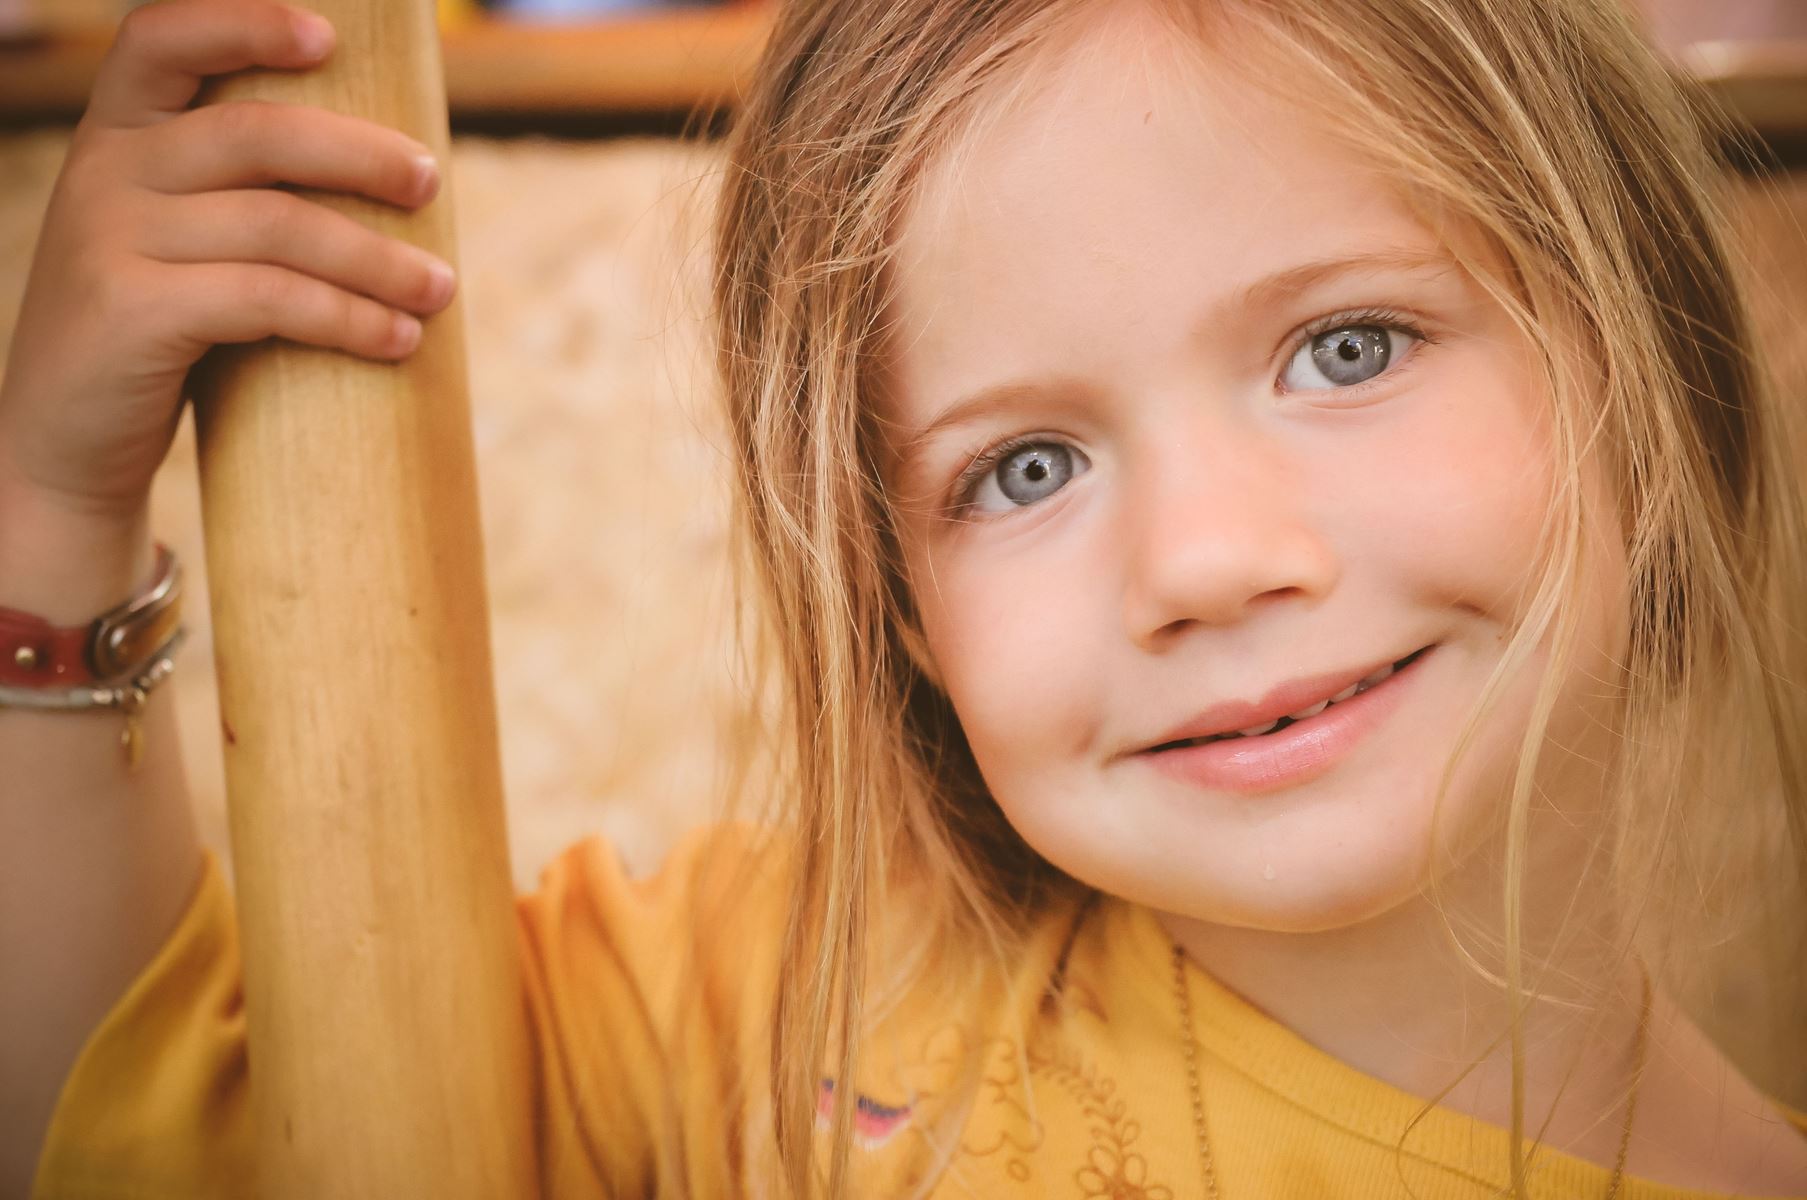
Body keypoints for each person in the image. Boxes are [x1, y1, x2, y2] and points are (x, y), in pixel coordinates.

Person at [4, 0, 1806, 1195]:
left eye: (1349, 348)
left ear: (1642, 353)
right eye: (1022, 468)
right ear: (907, 621)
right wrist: (49, 525)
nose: (1201, 561)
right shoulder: (769, 1014)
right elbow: (169, 1147)